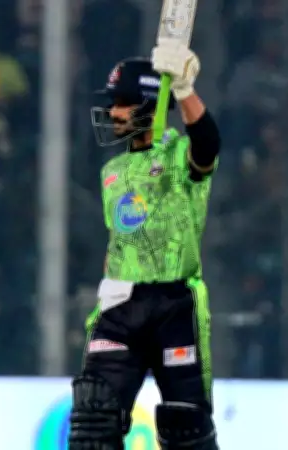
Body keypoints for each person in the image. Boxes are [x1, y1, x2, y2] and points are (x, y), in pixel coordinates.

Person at [68, 40, 221, 450]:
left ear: (151, 106)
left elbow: (208, 145)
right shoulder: (112, 172)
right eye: (113, 104)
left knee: (186, 429)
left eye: (123, 103)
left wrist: (185, 90)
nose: (113, 113)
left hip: (175, 304)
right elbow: (120, 240)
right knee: (92, 421)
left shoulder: (180, 153)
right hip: (120, 303)